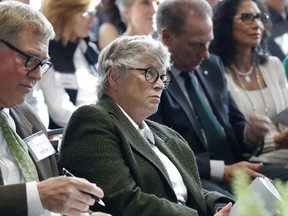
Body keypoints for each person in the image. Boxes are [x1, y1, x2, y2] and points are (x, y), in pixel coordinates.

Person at [58, 35, 233, 215]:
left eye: (162, 76)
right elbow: (123, 201)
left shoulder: (165, 134)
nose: (160, 85)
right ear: (114, 76)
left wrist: (220, 207)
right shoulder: (93, 119)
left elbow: (192, 192)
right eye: (149, 73)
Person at [149, 0, 288, 198]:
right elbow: (161, 152)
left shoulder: (212, 65)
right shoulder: (151, 78)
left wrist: (250, 134)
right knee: (233, 206)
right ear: (166, 37)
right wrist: (222, 171)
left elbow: (236, 126)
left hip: (237, 166)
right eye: (196, 45)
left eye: (208, 43)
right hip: (196, 174)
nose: (205, 54)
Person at [0, 2, 108, 216]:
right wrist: (37, 196)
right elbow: (42, 195)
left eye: (43, 63)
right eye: (30, 60)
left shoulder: (27, 115)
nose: (38, 75)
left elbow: (50, 190)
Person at [210, 0, 288, 167]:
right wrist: (276, 141)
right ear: (225, 24)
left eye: (259, 17)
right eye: (246, 17)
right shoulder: (217, 74)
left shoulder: (273, 65)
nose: (257, 25)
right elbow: (232, 140)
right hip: (252, 163)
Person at [39, 0, 100, 129]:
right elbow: (60, 112)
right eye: (87, 13)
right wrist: (102, 123)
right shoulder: (47, 55)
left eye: (94, 13)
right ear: (65, 15)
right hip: (76, 132)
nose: (94, 20)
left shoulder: (89, 50)